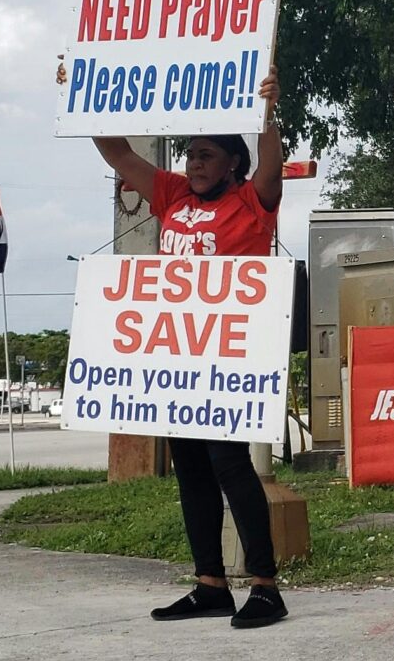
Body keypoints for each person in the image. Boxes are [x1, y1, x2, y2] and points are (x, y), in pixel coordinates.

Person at [69, 67, 290, 630]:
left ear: (232, 163)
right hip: (178, 356)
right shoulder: (170, 193)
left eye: (207, 155)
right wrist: (85, 97)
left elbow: (272, 166)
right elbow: (117, 154)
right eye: (191, 153)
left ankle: (264, 585)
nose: (194, 162)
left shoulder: (251, 202)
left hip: (229, 354)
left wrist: (268, 110)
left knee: (229, 464)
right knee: (190, 467)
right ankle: (210, 583)